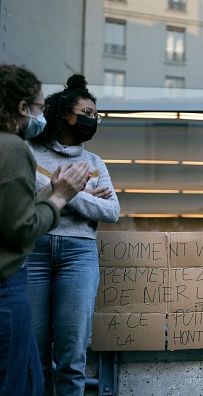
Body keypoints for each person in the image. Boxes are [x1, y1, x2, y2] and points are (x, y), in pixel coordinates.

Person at [26, 74, 120, 396]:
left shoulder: (94, 162)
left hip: (79, 255)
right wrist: (84, 194)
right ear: (66, 114)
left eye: (96, 115)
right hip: (34, 252)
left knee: (72, 357)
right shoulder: (30, 152)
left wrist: (63, 193)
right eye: (88, 113)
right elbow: (25, 201)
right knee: (34, 356)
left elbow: (111, 212)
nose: (93, 120)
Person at [0, 64, 89, 396]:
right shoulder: (14, 147)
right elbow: (21, 228)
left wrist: (46, 193)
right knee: (18, 379)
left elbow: (9, 207)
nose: (41, 116)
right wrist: (62, 197)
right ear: (23, 108)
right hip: (7, 285)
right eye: (39, 108)